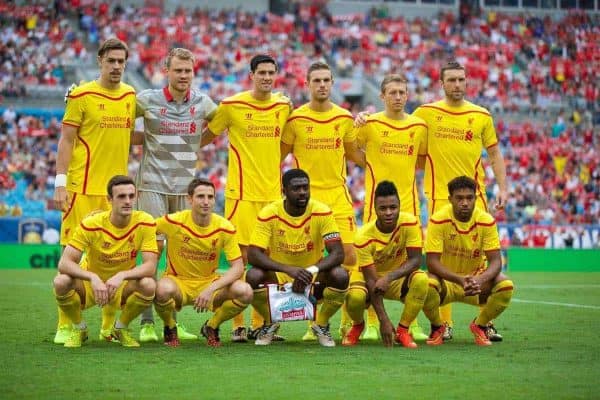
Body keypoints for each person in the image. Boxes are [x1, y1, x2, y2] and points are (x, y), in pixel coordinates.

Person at [413, 60, 508, 341]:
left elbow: (494, 154)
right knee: (441, 260)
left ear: (467, 82)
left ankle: (484, 321)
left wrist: (503, 187)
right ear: (441, 84)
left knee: (480, 261)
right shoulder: (426, 113)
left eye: (461, 79)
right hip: (439, 198)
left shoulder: (481, 115)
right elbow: (406, 139)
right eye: (451, 80)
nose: (457, 84)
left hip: (475, 198)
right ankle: (444, 323)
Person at [201, 54, 292, 342]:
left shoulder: (283, 106)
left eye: (271, 72)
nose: (266, 77)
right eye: (261, 72)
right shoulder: (231, 106)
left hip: (273, 198)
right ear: (251, 75)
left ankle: (263, 324)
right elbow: (204, 137)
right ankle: (237, 325)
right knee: (239, 261)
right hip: (241, 197)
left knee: (269, 262)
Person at [53, 38, 136, 344]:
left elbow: (129, 135)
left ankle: (108, 325)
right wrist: (60, 183)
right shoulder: (81, 94)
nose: (116, 66)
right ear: (100, 60)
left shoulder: (130, 95)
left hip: (115, 192)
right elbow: (66, 139)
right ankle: (66, 323)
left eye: (121, 61)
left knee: (120, 257)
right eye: (111, 60)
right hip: (82, 188)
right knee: (70, 255)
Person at [132, 47, 218, 342]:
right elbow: (118, 123)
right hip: (153, 185)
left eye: (188, 71)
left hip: (186, 188)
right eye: (178, 70)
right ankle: (145, 323)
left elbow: (221, 125)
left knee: (178, 254)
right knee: (151, 252)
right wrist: (147, 139)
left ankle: (172, 319)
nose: (183, 75)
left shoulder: (203, 103)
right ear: (166, 71)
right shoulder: (146, 100)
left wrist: (195, 142)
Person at [280, 61, 362, 340]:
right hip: (307, 201)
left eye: (327, 80)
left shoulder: (344, 118)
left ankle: (336, 322)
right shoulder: (296, 120)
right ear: (307, 84)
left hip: (338, 197)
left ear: (332, 83)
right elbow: (277, 157)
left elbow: (356, 156)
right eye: (317, 80)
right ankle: (311, 324)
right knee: (313, 261)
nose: (322, 84)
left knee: (349, 256)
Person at [353, 73, 429, 341]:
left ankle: (412, 322)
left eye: (402, 92)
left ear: (407, 95)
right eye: (392, 92)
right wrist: (371, 164)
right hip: (376, 208)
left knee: (413, 267)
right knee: (373, 266)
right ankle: (372, 321)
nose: (398, 97)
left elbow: (421, 160)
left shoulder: (419, 127)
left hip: (409, 207)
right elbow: (350, 148)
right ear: (382, 96)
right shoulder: (370, 124)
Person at [246, 169, 348, 347]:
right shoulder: (269, 213)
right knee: (253, 276)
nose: (302, 192)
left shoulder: (322, 211)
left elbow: (338, 253)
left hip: (312, 278)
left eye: (305, 188)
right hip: (280, 277)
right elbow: (253, 254)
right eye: (296, 188)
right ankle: (270, 322)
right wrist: (289, 270)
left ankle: (321, 324)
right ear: (284, 191)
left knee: (340, 275)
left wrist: (310, 270)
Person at [53, 175, 158, 348]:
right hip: (90, 287)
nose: (127, 201)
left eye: (131, 196)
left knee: (148, 285)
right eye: (121, 196)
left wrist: (122, 275)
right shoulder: (91, 224)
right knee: (61, 281)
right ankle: (80, 328)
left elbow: (150, 266)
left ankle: (121, 328)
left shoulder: (145, 222)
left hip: (121, 286)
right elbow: (64, 263)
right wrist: (93, 278)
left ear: (137, 197)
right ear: (109, 199)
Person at [153, 178, 253, 347]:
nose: (206, 202)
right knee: (161, 290)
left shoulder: (224, 227)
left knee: (245, 291)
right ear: (189, 199)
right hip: (178, 282)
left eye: (210, 197)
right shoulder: (173, 221)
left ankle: (211, 326)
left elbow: (238, 267)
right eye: (200, 196)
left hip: (209, 283)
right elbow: (143, 227)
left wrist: (210, 289)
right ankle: (170, 327)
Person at [344, 181, 444, 347]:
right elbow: (371, 280)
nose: (389, 212)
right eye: (383, 209)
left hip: (396, 277)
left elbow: (416, 260)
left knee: (421, 279)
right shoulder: (362, 236)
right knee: (355, 298)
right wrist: (383, 320)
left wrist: (389, 277)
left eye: (393, 207)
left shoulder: (410, 223)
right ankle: (358, 325)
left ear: (399, 206)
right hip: (367, 277)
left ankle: (403, 330)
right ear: (375, 209)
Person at [425, 176, 514, 346]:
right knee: (425, 284)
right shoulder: (438, 219)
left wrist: (478, 280)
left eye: (469, 198)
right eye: (459, 198)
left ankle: (480, 325)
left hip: (476, 283)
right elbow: (431, 262)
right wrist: (459, 280)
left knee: (506, 285)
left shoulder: (486, 221)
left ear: (476, 198)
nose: (465, 202)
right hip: (447, 283)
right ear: (450, 199)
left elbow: (496, 262)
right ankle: (437, 327)